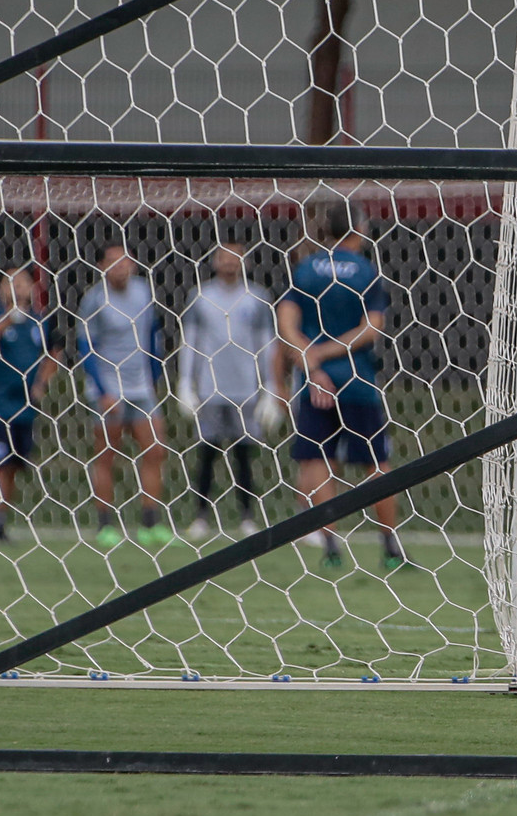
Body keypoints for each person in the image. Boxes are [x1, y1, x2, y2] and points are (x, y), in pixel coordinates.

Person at [277, 202, 406, 571]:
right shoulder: (366, 270)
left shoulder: (304, 268)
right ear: (361, 229)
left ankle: (331, 547)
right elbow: (373, 326)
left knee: (319, 461)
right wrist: (334, 350)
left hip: (316, 383)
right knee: (376, 463)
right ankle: (390, 547)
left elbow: (286, 322)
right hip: (358, 381)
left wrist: (313, 359)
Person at [178, 242, 277, 541]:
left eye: (236, 258)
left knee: (244, 454)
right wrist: (185, 382)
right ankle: (201, 517)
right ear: (215, 262)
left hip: (246, 389)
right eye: (224, 258)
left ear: (244, 263)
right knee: (207, 452)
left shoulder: (257, 298)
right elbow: (190, 341)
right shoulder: (201, 297)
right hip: (211, 388)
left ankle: (247, 517)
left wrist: (270, 386)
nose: (230, 263)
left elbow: (266, 343)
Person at [76, 243, 169, 549]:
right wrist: (102, 391)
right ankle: (105, 525)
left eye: (125, 262)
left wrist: (154, 377)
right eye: (113, 262)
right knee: (106, 456)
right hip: (109, 390)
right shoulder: (94, 299)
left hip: (141, 387)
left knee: (155, 451)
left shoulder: (144, 291)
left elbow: (152, 335)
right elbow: (86, 347)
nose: (120, 267)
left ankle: (150, 524)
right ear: (102, 266)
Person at [0, 264, 61, 545]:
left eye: (21, 282)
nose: (16, 287)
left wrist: (41, 383)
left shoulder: (40, 321)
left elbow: (53, 354)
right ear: (0, 288)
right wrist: (8, 320)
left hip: (25, 408)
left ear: (32, 288)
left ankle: (1, 521)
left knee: (13, 467)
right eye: (9, 282)